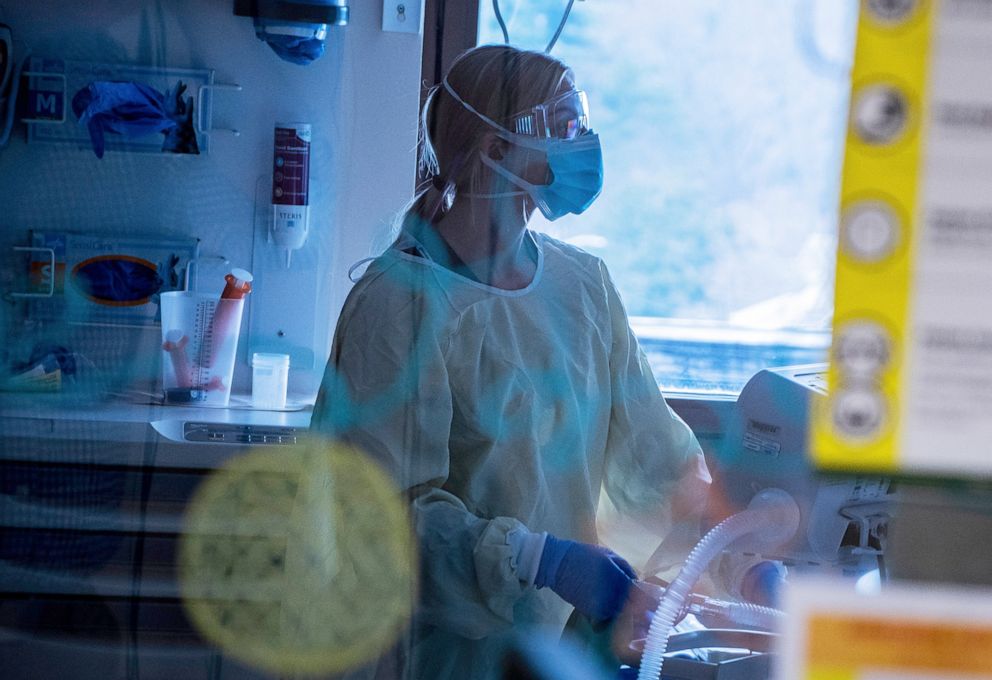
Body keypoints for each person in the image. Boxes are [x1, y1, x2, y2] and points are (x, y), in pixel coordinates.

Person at [311, 44, 711, 680]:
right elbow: (374, 515)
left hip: (565, 651)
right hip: (442, 654)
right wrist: (533, 558)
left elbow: (653, 454)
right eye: (561, 125)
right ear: (495, 151)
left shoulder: (584, 287)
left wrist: (735, 540)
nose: (581, 141)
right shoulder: (399, 308)